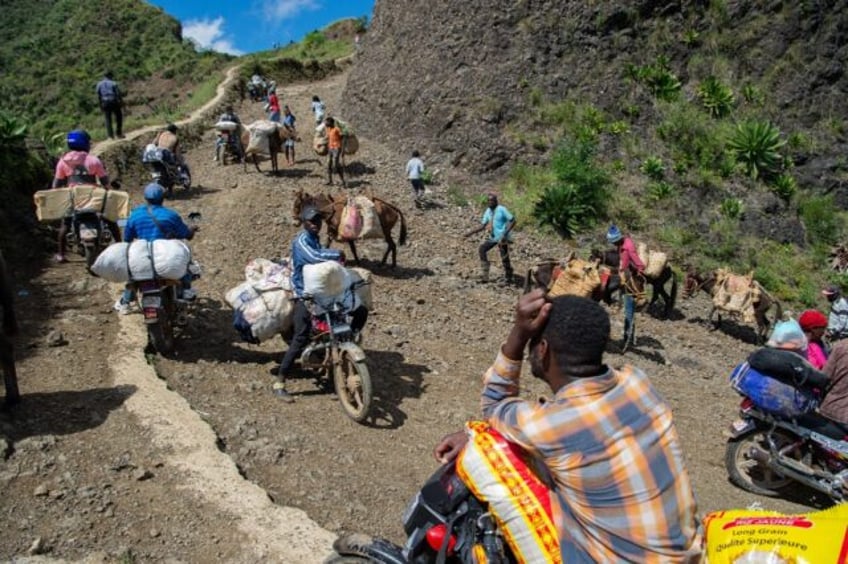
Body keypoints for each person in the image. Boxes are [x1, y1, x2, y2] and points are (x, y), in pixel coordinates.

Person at [433, 291, 702, 561]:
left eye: (534, 342)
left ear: (543, 349)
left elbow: (494, 403)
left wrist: (519, 332)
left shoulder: (551, 427)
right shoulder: (638, 384)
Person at [274, 206, 367, 402]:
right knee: (300, 337)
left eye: (318, 221)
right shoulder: (300, 241)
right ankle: (280, 382)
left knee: (360, 312)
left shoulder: (315, 239)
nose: (315, 224)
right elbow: (314, 257)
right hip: (304, 294)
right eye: (311, 221)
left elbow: (322, 260)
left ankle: (343, 354)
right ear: (304, 223)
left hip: (324, 293)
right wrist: (337, 255)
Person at [113, 183, 198, 314]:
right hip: (166, 255)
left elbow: (127, 239)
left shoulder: (135, 215)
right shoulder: (171, 215)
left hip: (143, 256)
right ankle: (186, 290)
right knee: (184, 261)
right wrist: (192, 230)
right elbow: (185, 234)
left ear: (145, 198)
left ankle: (125, 302)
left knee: (134, 276)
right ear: (163, 198)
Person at [52, 129, 122, 263]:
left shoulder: (63, 162)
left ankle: (61, 254)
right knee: (110, 221)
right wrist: (108, 189)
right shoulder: (93, 160)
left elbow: (56, 185)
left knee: (65, 226)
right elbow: (105, 182)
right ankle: (120, 245)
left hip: (73, 200)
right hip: (93, 199)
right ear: (85, 143)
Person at [606, 224, 645, 347]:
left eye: (614, 242)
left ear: (618, 239)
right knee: (625, 308)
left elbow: (640, 264)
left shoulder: (629, 247)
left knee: (629, 311)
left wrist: (636, 270)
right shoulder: (620, 245)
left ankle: (627, 340)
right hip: (623, 279)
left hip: (630, 282)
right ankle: (628, 338)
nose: (613, 244)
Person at [463, 193, 515, 284]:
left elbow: (513, 220)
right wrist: (470, 233)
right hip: (494, 237)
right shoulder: (488, 211)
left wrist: (505, 234)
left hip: (502, 237)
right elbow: (483, 226)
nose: (490, 202)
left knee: (504, 256)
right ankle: (485, 275)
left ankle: (509, 276)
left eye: (492, 200)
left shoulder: (502, 209)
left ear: (496, 201)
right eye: (489, 200)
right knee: (482, 249)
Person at [95, 71, 123, 139]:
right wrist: (121, 102)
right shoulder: (113, 83)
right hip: (113, 101)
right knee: (119, 117)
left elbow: (98, 95)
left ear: (104, 76)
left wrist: (100, 105)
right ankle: (118, 134)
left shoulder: (99, 84)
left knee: (108, 119)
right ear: (110, 76)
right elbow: (118, 94)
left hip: (105, 102)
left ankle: (110, 136)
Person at [324, 117, 346, 187]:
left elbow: (343, 137)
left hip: (337, 148)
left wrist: (343, 149)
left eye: (327, 122)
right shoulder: (328, 129)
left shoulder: (337, 129)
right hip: (330, 148)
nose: (326, 124)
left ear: (331, 123)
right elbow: (327, 138)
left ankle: (342, 181)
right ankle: (330, 180)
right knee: (328, 164)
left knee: (336, 164)